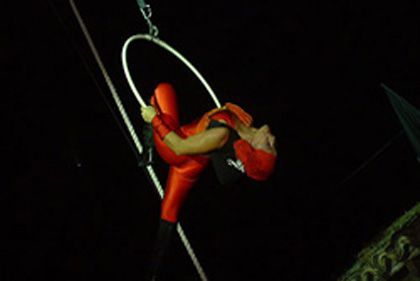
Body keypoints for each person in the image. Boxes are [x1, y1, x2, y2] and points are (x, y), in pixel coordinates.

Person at [141, 82, 277, 280]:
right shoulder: (245, 123)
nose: (272, 138)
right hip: (194, 165)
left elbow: (179, 146)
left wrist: (153, 119)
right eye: (275, 145)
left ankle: (149, 147)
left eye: (269, 145)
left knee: (163, 91)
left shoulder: (222, 136)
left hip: (177, 150)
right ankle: (152, 276)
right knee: (169, 213)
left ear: (255, 149)